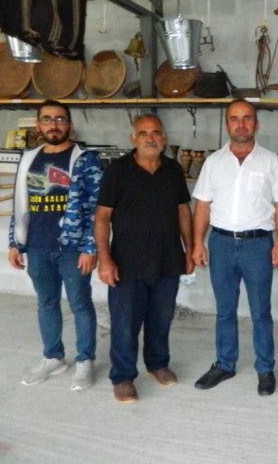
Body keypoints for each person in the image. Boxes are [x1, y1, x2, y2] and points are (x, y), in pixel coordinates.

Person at [192, 99, 278, 396]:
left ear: (256, 124)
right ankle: (225, 364)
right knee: (225, 310)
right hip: (220, 243)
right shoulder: (213, 162)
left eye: (247, 118)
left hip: (257, 245)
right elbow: (202, 205)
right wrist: (198, 243)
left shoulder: (271, 162)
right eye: (234, 118)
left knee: (261, 311)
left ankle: (265, 368)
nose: (241, 124)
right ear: (227, 124)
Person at [94, 114, 194, 403]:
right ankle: (123, 377)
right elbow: (102, 216)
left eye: (156, 133)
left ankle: (157, 364)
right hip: (126, 263)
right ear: (133, 139)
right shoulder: (117, 171)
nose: (150, 138)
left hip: (167, 260)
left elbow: (183, 211)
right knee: (125, 323)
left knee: (161, 319)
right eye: (143, 133)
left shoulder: (173, 170)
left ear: (164, 138)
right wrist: (105, 259)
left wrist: (189, 249)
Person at [8, 99, 101, 391]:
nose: (54, 125)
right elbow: (19, 203)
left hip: (72, 248)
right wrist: (15, 242)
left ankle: (85, 360)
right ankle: (53, 357)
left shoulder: (85, 159)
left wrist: (90, 247)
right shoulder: (28, 158)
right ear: (39, 126)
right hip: (37, 245)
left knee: (80, 304)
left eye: (60, 119)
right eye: (47, 120)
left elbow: (98, 209)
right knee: (46, 302)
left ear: (69, 124)